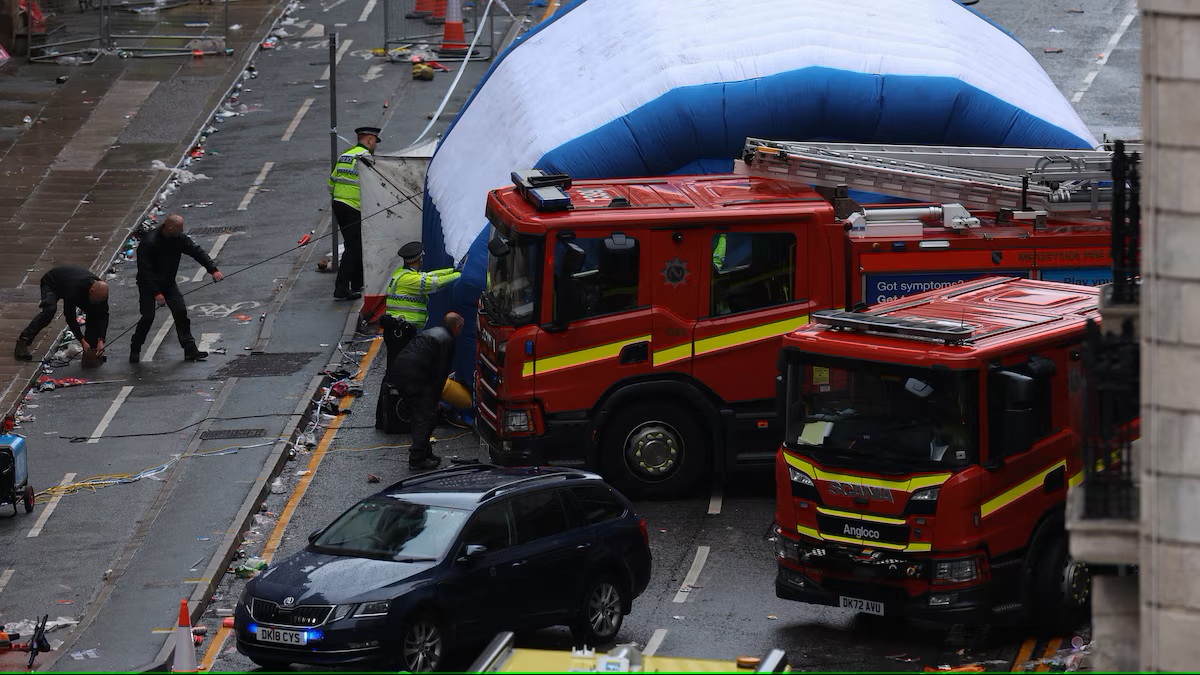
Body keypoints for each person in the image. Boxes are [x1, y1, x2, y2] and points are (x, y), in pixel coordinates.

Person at [130, 214, 223, 363]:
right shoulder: (149, 243)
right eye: (180, 228)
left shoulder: (178, 238)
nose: (182, 231)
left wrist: (213, 270)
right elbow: (145, 271)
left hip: (168, 283)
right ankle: (135, 348)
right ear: (170, 228)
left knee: (180, 311)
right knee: (148, 317)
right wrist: (157, 293)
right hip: (148, 285)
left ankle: (190, 349)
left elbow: (196, 251)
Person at [386, 312, 464, 470]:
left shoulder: (434, 332)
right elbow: (440, 374)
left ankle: (425, 452)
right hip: (414, 376)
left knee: (420, 413)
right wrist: (435, 400)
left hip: (401, 371)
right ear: (457, 327)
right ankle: (417, 457)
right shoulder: (447, 340)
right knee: (426, 416)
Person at [14, 265, 110, 362]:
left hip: (70, 283)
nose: (97, 302)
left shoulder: (100, 293)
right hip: (52, 282)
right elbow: (69, 316)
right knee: (49, 311)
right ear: (91, 291)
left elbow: (103, 315)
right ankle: (23, 341)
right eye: (96, 299)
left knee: (95, 311)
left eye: (100, 301)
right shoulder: (74, 289)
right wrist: (81, 339)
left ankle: (92, 349)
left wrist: (101, 339)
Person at [328, 126, 381, 300]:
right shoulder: (365, 158)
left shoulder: (345, 155)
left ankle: (357, 283)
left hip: (339, 204)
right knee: (354, 247)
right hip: (353, 207)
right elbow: (373, 185)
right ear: (370, 140)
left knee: (357, 246)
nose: (375, 147)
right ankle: (341, 288)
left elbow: (331, 183)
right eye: (375, 143)